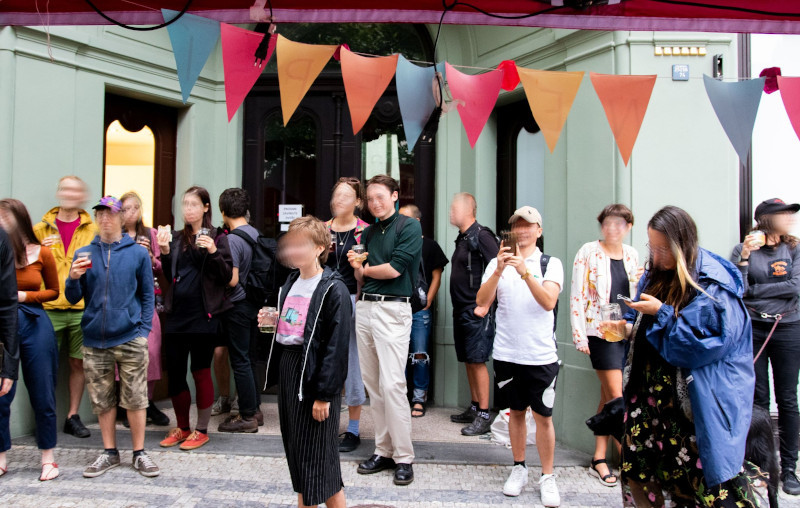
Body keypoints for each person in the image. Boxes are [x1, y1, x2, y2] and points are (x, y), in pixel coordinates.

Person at [620, 205, 758, 507]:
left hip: (691, 403)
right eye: (651, 247)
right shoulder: (654, 273)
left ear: (683, 245)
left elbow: (697, 347)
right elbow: (645, 327)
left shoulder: (712, 286)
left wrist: (661, 312)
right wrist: (627, 329)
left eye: (662, 249)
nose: (655, 256)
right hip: (648, 397)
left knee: (701, 483)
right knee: (640, 473)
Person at [65, 196, 159, 478]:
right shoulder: (84, 253)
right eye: (101, 214)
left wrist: (143, 332)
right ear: (96, 219)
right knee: (102, 400)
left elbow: (147, 296)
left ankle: (139, 453)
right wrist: (73, 278)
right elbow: (72, 298)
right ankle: (109, 452)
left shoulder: (137, 254)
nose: (105, 218)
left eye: (111, 213)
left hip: (130, 337)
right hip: (95, 339)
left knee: (136, 398)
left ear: (121, 218)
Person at [261, 216, 351, 508]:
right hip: (290, 368)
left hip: (314, 374)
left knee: (316, 461)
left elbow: (336, 348)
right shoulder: (289, 283)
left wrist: (324, 395)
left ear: (320, 248)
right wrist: (274, 321)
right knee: (306, 460)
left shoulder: (333, 288)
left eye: (302, 244)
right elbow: (296, 326)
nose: (294, 250)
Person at [476, 206, 563, 504]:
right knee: (515, 412)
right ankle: (519, 467)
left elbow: (548, 301)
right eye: (517, 226)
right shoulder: (495, 263)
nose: (522, 231)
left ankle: (548, 476)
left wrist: (524, 271)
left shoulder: (550, 264)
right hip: (506, 352)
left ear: (539, 230)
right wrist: (500, 269)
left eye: (529, 226)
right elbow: (481, 301)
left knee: (543, 417)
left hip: (540, 355)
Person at [348, 174, 422, 486]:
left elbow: (394, 269)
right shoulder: (367, 232)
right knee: (374, 387)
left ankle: (404, 457)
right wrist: (357, 267)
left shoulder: (409, 226)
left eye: (380, 196)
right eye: (370, 198)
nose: (374, 203)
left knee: (392, 385)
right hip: (365, 307)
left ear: (395, 195)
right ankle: (383, 450)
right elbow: (361, 278)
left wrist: (364, 269)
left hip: (393, 310)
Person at [731, 197, 800, 495]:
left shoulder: (795, 248)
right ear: (766, 220)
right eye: (784, 214)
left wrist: (756, 291)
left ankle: (789, 468)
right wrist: (745, 258)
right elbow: (739, 289)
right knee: (758, 399)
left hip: (789, 328)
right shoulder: (743, 249)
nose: (790, 218)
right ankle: (760, 465)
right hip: (755, 329)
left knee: (788, 399)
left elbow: (795, 286)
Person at [157, 186, 233, 451]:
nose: (188, 209)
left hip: (204, 316)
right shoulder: (177, 238)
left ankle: (201, 430)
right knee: (176, 372)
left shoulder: (218, 237)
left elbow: (226, 276)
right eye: (185, 205)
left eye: (193, 204)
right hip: (177, 314)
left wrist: (212, 251)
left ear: (205, 207)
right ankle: (182, 427)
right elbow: (170, 276)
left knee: (200, 371)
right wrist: (164, 251)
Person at [569, 204, 640, 487]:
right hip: (600, 332)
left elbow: (636, 294)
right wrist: (579, 335)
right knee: (618, 396)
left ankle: (599, 457)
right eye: (608, 223)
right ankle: (630, 459)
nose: (612, 228)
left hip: (627, 331)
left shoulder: (632, 254)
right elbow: (577, 294)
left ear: (628, 227)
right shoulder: (588, 251)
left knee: (608, 396)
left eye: (619, 223)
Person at [33, 175, 97, 439]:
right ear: (59, 193)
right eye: (66, 189)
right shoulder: (40, 229)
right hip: (48, 308)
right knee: (44, 367)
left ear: (82, 196)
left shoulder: (93, 230)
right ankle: (45, 419)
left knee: (78, 364)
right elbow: (24, 266)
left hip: (81, 308)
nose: (70, 194)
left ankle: (72, 416)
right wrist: (38, 250)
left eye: (75, 190)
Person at [0, 199, 60, 481]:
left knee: (43, 390)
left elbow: (54, 291)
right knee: (2, 393)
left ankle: (48, 457)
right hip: (5, 324)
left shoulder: (42, 252)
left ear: (19, 220)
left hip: (35, 322)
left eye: (5, 217)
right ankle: (1, 456)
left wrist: (25, 296)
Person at [448, 193, 500, 436]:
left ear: (469, 210)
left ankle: (484, 415)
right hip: (462, 308)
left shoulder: (482, 235)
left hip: (475, 309)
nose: (451, 211)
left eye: (454, 207)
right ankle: (475, 406)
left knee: (477, 360)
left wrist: (486, 304)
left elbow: (499, 270)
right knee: (469, 359)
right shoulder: (463, 237)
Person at [324, 177, 369, 453]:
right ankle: (325, 423)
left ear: (358, 202)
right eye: (336, 195)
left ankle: (353, 429)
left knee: (353, 362)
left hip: (353, 299)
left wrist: (357, 268)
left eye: (345, 195)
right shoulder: (322, 229)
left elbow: (365, 277)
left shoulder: (365, 232)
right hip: (325, 299)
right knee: (325, 359)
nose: (339, 200)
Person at [119, 191, 169, 427]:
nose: (131, 213)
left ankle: (147, 401)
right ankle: (127, 405)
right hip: (122, 301)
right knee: (124, 353)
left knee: (151, 351)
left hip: (148, 301)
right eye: (126, 209)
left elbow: (162, 268)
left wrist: (151, 257)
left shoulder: (151, 234)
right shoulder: (115, 236)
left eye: (135, 208)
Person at [217, 188, 263, 433]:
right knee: (250, 358)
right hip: (253, 303)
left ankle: (247, 416)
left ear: (223, 212)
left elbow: (233, 279)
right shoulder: (255, 234)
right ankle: (255, 409)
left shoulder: (232, 240)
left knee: (240, 360)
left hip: (238, 305)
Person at [398, 204, 448, 418]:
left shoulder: (429, 245)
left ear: (416, 222)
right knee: (398, 355)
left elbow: (437, 276)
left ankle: (419, 398)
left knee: (419, 354)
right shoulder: (396, 244)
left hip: (419, 310)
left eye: (404, 219)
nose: (400, 224)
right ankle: (400, 398)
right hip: (397, 307)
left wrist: (428, 300)